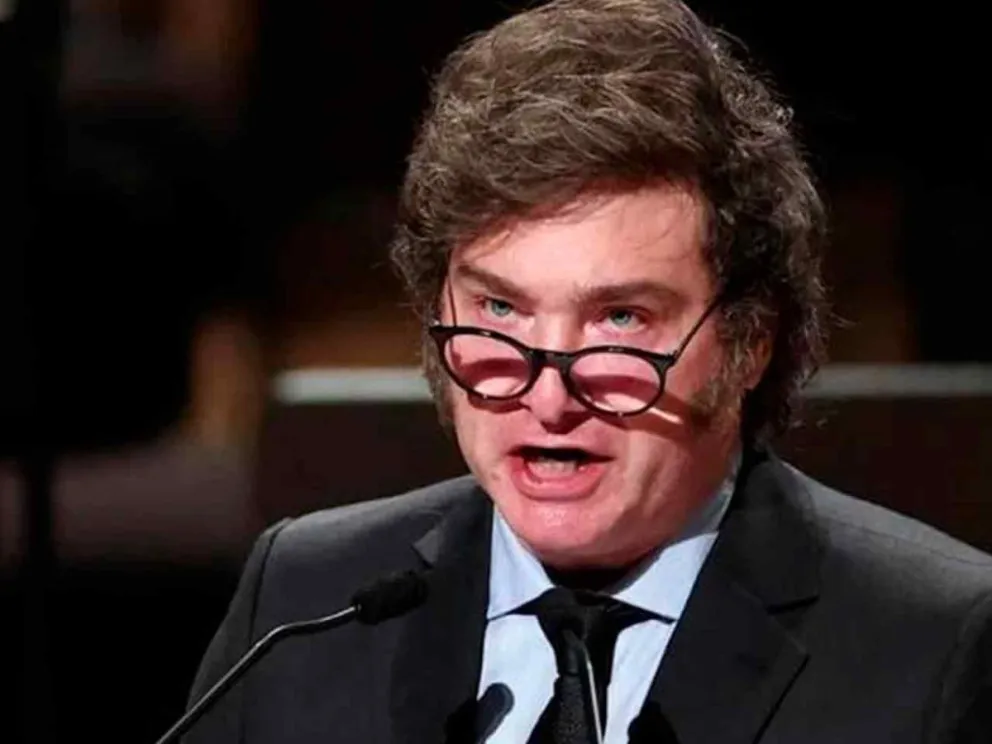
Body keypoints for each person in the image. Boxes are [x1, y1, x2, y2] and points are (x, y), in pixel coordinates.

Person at [184, 1, 992, 742]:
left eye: (620, 320)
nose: (549, 398)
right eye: (500, 310)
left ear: (751, 342)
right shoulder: (302, 600)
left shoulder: (936, 644)